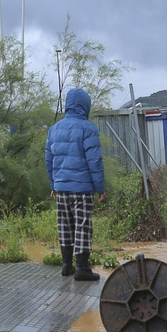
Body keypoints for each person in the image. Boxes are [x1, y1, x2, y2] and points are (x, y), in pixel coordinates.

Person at [45, 87, 106, 282]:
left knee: (64, 224)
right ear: (85, 105)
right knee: (82, 225)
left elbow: (49, 159)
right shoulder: (88, 128)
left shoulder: (54, 129)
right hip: (82, 189)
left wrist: (54, 184)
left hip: (61, 188)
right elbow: (94, 161)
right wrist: (100, 188)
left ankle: (66, 265)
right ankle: (82, 268)